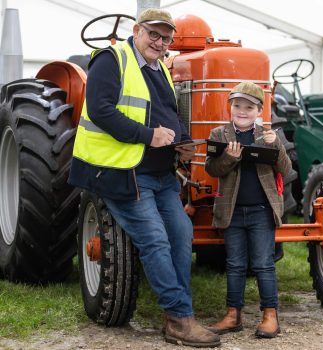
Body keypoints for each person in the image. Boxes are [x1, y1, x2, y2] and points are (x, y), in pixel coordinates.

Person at [68, 8, 220, 348]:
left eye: (166, 38)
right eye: (154, 34)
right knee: (154, 241)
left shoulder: (161, 69)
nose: (160, 42)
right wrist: (148, 136)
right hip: (124, 172)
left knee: (181, 234)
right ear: (137, 30)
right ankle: (181, 318)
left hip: (161, 174)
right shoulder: (111, 59)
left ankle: (175, 315)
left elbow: (169, 113)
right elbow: (101, 109)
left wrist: (181, 141)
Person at [205, 82, 292, 338]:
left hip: (261, 211)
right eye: (237, 105)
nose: (242, 111)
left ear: (259, 111)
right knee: (234, 265)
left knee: (264, 264)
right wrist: (229, 158)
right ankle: (233, 315)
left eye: (249, 107)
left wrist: (276, 145)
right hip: (232, 211)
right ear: (230, 107)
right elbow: (212, 170)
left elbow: (286, 171)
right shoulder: (220, 134)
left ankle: (270, 315)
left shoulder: (268, 135)